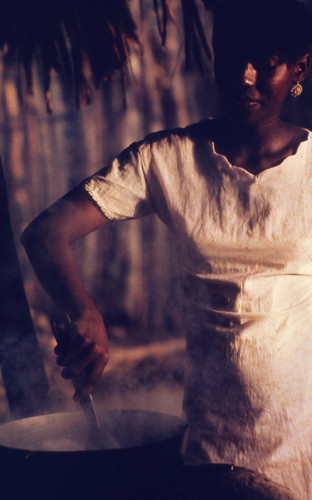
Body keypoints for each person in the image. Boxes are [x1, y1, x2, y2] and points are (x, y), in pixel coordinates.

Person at [21, 0, 312, 497]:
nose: (245, 76)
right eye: (233, 55)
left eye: (267, 63)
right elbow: (46, 232)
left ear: (298, 69)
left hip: (300, 447)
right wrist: (84, 310)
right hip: (206, 449)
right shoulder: (167, 159)